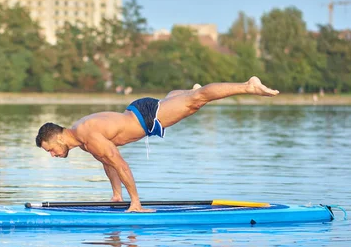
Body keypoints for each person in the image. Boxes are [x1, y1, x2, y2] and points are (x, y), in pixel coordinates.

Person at [35, 76, 279, 213]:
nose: (53, 155)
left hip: (145, 117)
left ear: (57, 137)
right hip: (139, 111)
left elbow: (121, 165)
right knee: (185, 100)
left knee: (197, 100)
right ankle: (185, 91)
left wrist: (136, 202)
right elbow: (108, 163)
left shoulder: (86, 134)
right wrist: (117, 195)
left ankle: (248, 86)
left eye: (50, 150)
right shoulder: (83, 140)